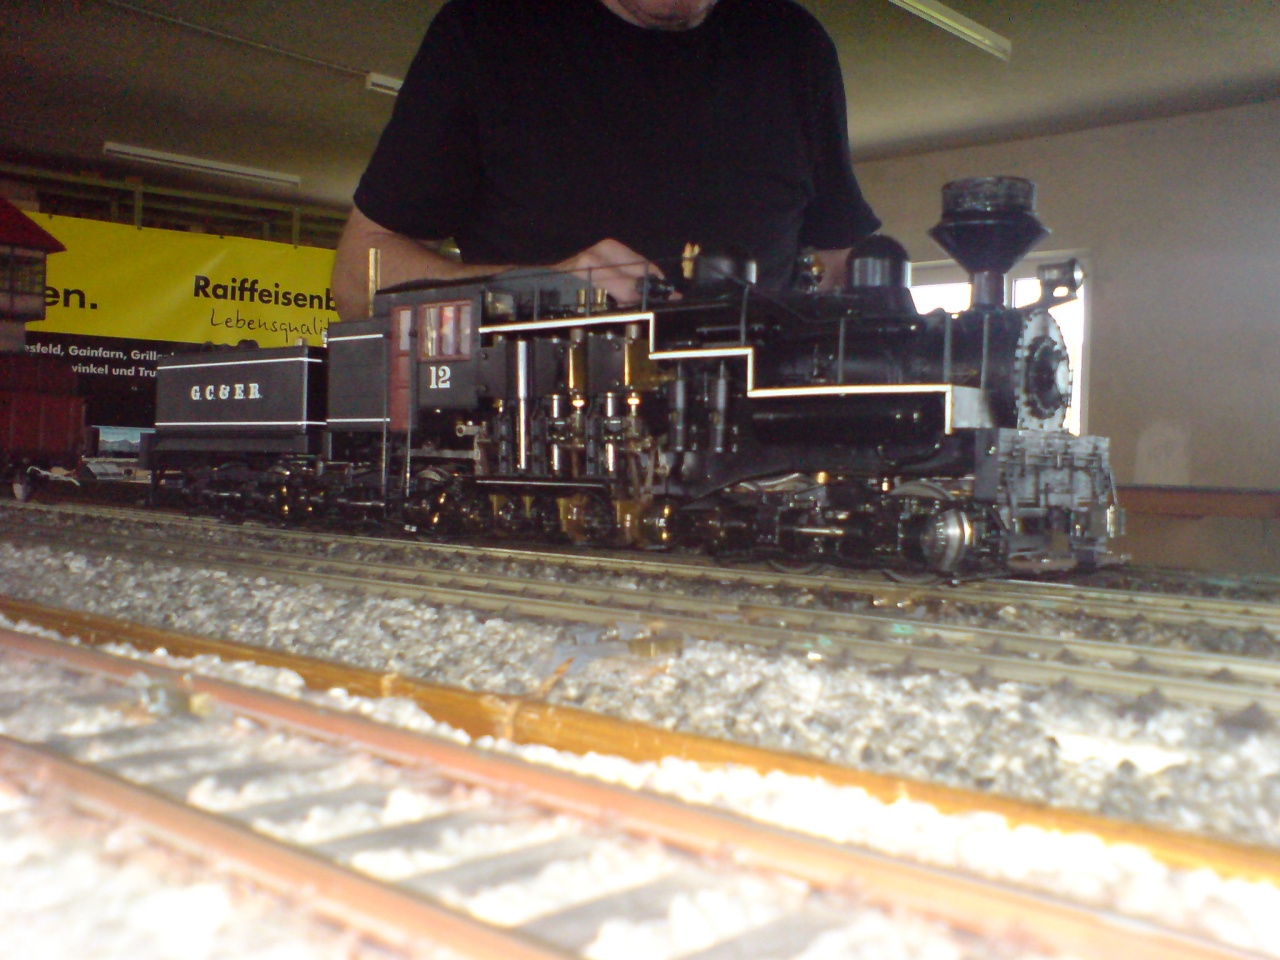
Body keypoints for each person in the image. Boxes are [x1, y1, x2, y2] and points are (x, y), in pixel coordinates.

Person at [331, 0, 881, 320]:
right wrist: (534, 293)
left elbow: (837, 263)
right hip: (537, 446)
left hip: (760, 457)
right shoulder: (486, 28)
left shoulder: (796, 45)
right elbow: (358, 280)